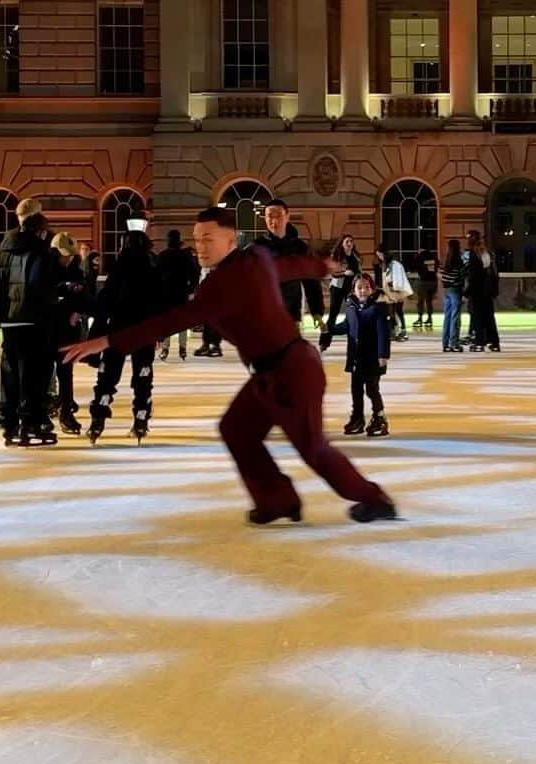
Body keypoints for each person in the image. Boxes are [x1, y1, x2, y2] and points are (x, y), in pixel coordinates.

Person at [61, 206, 397, 525]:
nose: (201, 246)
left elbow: (172, 320)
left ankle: (375, 499)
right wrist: (323, 266)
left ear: (231, 240)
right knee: (237, 430)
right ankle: (276, 500)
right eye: (197, 239)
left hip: (292, 374)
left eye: (209, 238)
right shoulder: (257, 258)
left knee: (313, 449)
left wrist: (106, 340)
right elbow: (290, 267)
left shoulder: (225, 283)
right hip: (271, 372)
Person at [87, 230, 164, 442]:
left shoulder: (119, 268)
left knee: (108, 376)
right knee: (142, 376)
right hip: (144, 330)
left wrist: (99, 328)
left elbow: (107, 300)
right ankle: (141, 418)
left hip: (119, 329)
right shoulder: (151, 268)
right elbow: (158, 301)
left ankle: (98, 417)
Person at [0, 210, 58, 445]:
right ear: (39, 231)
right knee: (33, 374)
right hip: (34, 321)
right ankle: (29, 424)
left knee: (10, 372)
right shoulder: (40, 251)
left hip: (9, 321)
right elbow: (39, 286)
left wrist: (0, 315)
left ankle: (9, 424)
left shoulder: (1, 253)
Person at [321, 272, 391, 437]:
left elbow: (383, 333)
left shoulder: (378, 307)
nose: (363, 291)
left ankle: (379, 417)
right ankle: (357, 417)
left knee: (372, 389)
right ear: (353, 290)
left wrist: (383, 355)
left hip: (373, 357)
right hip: (356, 357)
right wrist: (329, 329)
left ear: (372, 289)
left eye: (366, 287)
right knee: (355, 389)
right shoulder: (351, 306)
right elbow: (347, 325)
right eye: (359, 287)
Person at [260, 199, 325, 335]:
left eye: (279, 215)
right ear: (265, 218)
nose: (274, 221)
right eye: (270, 216)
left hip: (291, 311)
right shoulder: (257, 248)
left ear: (287, 216)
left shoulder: (300, 248)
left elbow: (311, 281)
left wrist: (317, 312)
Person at [50, 231, 90, 435]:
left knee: (65, 372)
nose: (68, 258)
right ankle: (52, 402)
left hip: (66, 330)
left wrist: (76, 309)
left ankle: (65, 411)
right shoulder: (46, 269)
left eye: (70, 255)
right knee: (46, 372)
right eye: (64, 254)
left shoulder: (76, 271)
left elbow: (84, 295)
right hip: (48, 328)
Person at [156, 229, 200, 361]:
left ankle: (165, 348)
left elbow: (156, 276)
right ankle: (182, 348)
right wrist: (191, 288)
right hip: (181, 291)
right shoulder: (185, 256)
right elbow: (194, 273)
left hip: (166, 293)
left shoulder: (163, 256)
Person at [464, 230, 500, 352]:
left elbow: (473, 276)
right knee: (489, 316)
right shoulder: (488, 253)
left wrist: (467, 292)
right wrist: (494, 290)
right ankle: (494, 342)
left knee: (478, 317)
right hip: (488, 292)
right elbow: (494, 274)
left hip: (477, 292)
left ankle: (480, 342)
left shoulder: (474, 254)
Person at [375, 244, 412, 341]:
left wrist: (393, 288)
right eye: (378, 255)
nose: (379, 257)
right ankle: (395, 331)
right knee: (393, 312)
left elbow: (396, 279)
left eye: (380, 255)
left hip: (395, 292)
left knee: (396, 311)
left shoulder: (394, 264)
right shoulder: (385, 264)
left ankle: (399, 331)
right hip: (389, 292)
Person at [324, 235, 360, 336]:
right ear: (342, 244)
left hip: (350, 288)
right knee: (334, 312)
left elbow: (358, 271)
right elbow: (333, 274)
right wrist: (345, 273)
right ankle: (326, 337)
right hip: (337, 287)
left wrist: (359, 277)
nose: (349, 243)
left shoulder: (355, 256)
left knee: (352, 310)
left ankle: (350, 331)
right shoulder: (337, 255)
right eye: (347, 242)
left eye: (351, 241)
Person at [440, 238, 465, 353]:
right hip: (456, 290)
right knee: (455, 317)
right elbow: (461, 276)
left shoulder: (445, 260)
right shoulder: (458, 261)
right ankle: (454, 343)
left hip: (447, 290)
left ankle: (445, 343)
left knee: (447, 317)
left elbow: (441, 275)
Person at [411, 243, 440, 331]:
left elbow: (414, 266)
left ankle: (420, 318)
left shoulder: (420, 257)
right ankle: (429, 319)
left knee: (420, 301)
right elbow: (437, 266)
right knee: (429, 301)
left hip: (423, 281)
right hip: (433, 281)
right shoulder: (433, 256)